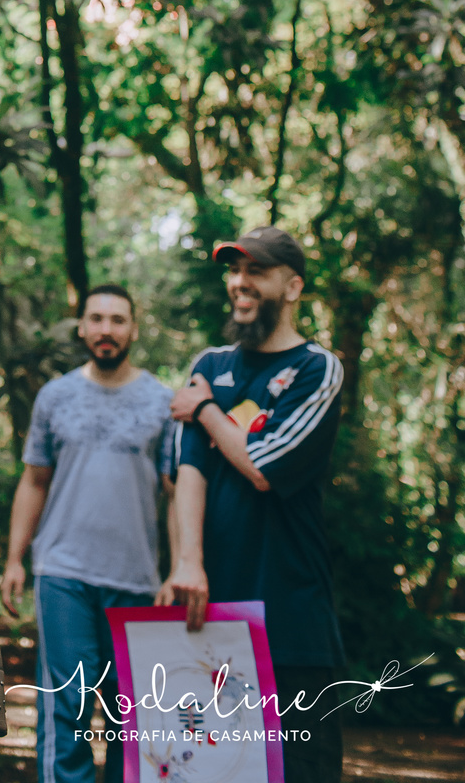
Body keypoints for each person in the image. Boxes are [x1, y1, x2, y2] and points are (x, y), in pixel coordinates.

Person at [163, 226, 346, 783]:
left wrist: (207, 408)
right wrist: (186, 562)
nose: (239, 284)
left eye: (255, 273)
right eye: (234, 272)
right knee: (210, 770)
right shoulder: (211, 362)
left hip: (291, 616)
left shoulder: (318, 368)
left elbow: (266, 466)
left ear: (292, 287)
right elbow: (187, 469)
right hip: (211, 611)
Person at [0, 285, 175, 783]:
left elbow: (176, 492)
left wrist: (182, 566)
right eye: (96, 319)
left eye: (118, 320)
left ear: (133, 329)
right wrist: (16, 558)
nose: (106, 329)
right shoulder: (55, 396)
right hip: (63, 573)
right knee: (68, 707)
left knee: (133, 719)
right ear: (82, 327)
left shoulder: (163, 402)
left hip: (138, 580)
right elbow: (34, 481)